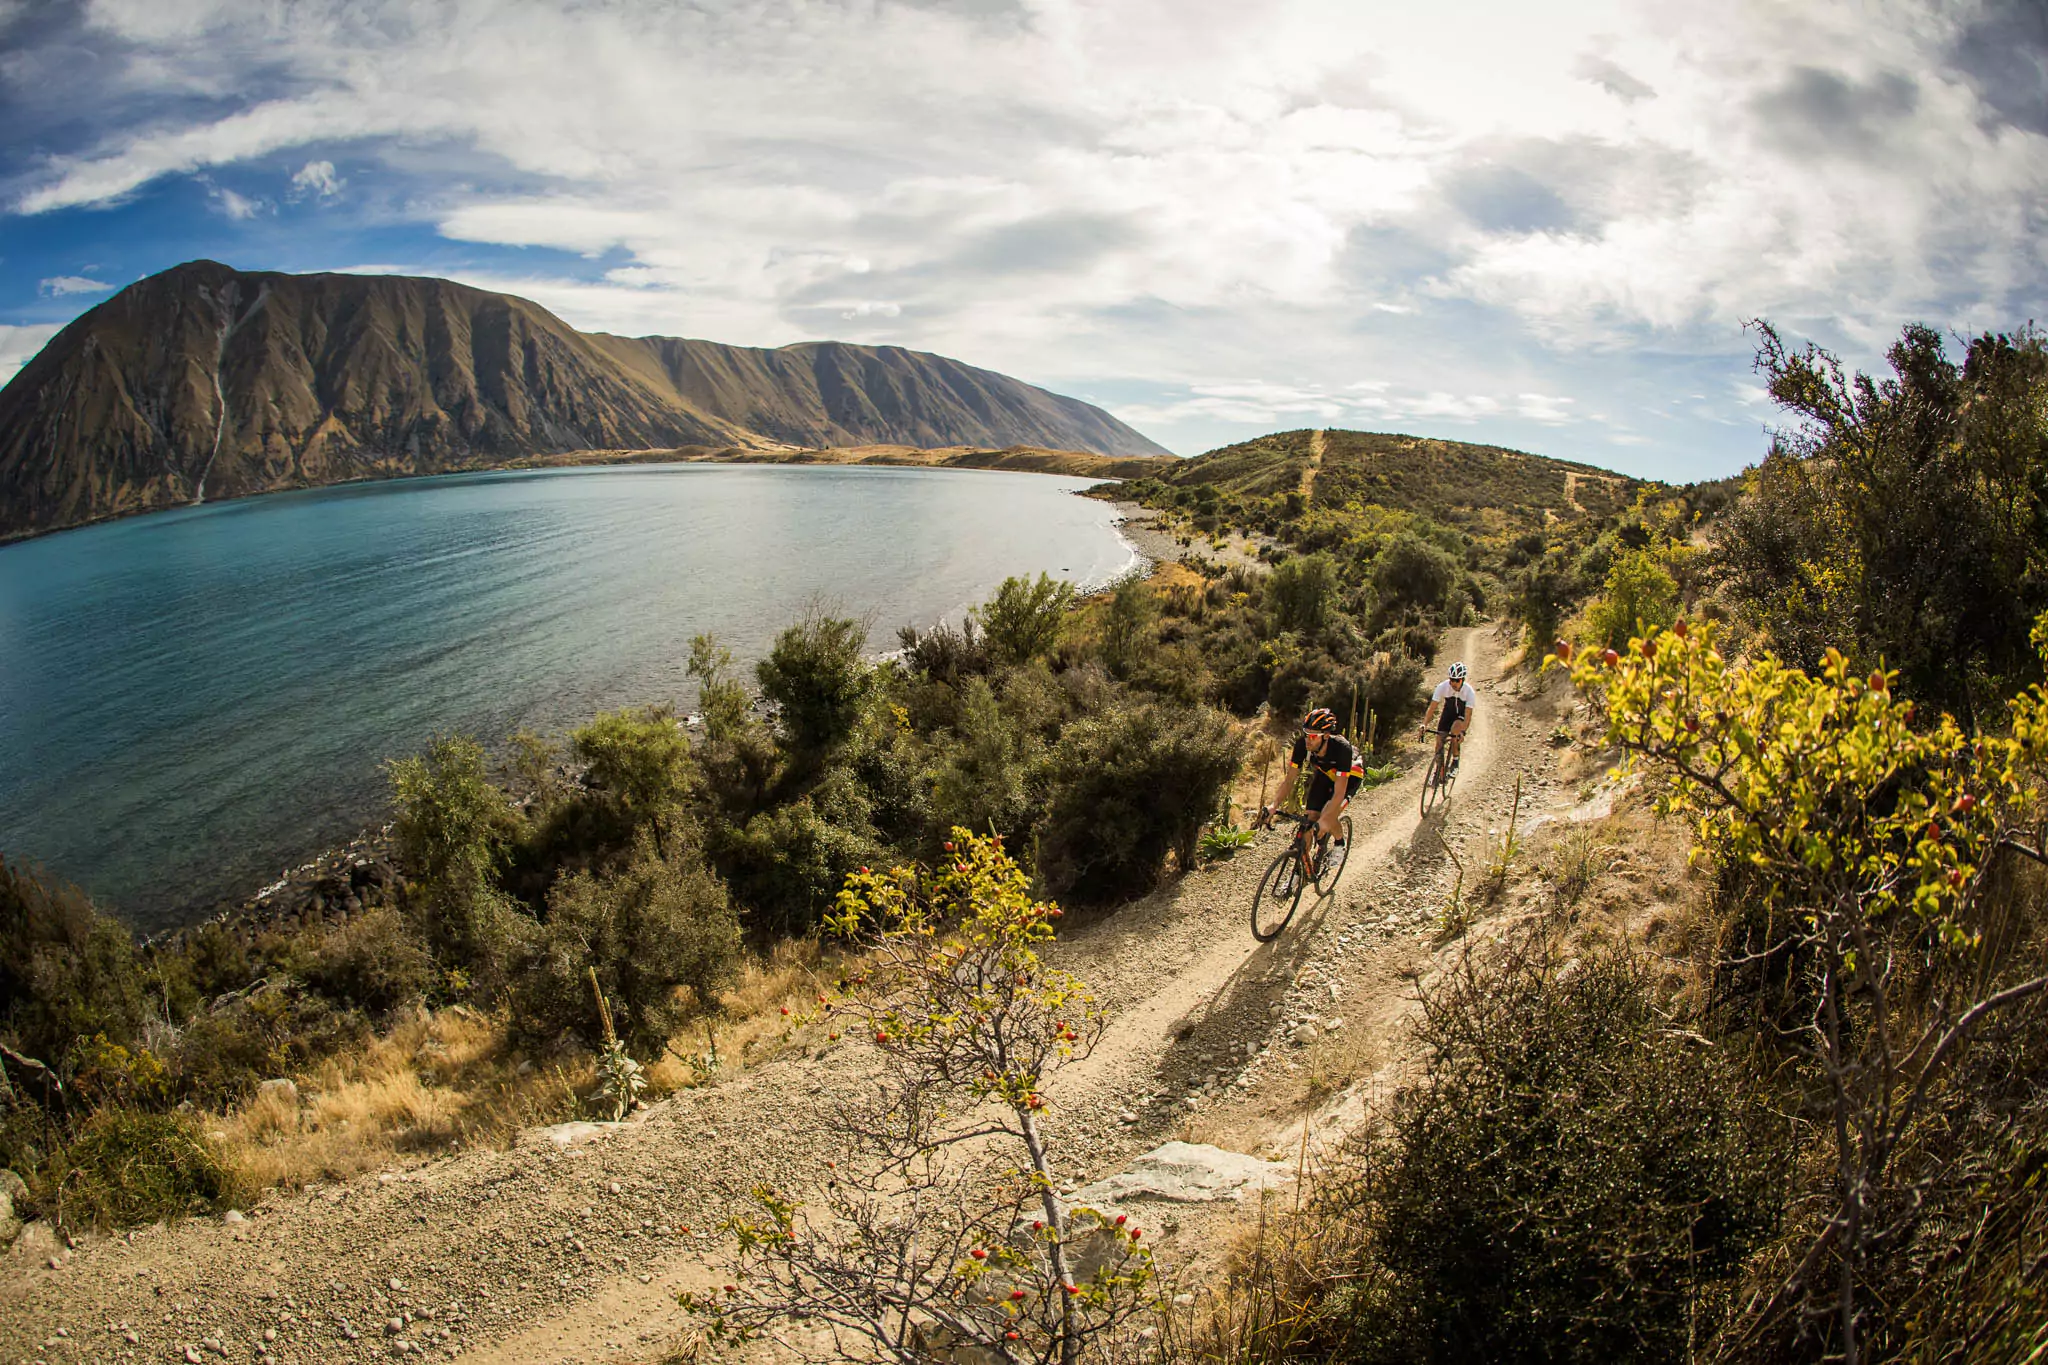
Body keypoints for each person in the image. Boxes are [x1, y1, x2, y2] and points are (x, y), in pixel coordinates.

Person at [1261, 707, 1365, 873]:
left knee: (1328, 814)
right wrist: (1274, 805)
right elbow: (1289, 780)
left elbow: (1339, 793)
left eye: (1313, 736)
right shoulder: (1303, 745)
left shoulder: (1341, 748)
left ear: (1325, 735)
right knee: (1308, 821)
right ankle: (1299, 872)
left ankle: (1339, 843)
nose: (1308, 740)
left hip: (1350, 777)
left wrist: (1325, 820)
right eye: (1306, 734)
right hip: (1325, 774)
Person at [1420, 661, 1477, 776]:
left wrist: (1463, 732)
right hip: (1448, 714)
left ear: (1462, 680)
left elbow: (1468, 715)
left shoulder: (1469, 691)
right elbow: (1432, 707)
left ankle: (1455, 761)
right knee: (1439, 742)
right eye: (1452, 679)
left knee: (1455, 731)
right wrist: (1424, 724)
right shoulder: (1443, 687)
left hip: (1460, 715)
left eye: (1457, 680)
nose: (1453, 683)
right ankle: (1438, 771)